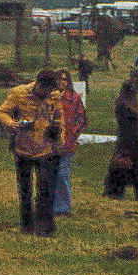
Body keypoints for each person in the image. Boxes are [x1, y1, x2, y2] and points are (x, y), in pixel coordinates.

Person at [0, 68, 63, 235]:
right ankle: (27, 225)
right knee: (25, 190)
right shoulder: (18, 93)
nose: (47, 93)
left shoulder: (54, 96)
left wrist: (58, 132)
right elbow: (2, 111)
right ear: (38, 84)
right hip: (23, 149)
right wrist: (12, 123)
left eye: (50, 91)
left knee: (46, 188)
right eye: (44, 90)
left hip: (46, 149)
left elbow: (59, 117)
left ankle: (45, 226)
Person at [103, 80, 138, 201]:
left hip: (128, 139)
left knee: (131, 168)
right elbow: (128, 128)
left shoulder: (123, 105)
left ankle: (115, 190)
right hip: (130, 140)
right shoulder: (125, 107)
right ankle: (137, 193)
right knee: (131, 168)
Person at [51, 68, 87, 217]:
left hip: (67, 143)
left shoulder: (74, 97)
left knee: (63, 174)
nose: (62, 82)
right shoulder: (49, 97)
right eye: (59, 79)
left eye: (65, 79)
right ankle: (50, 205)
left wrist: (74, 134)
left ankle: (63, 208)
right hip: (50, 142)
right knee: (50, 174)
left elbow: (83, 120)